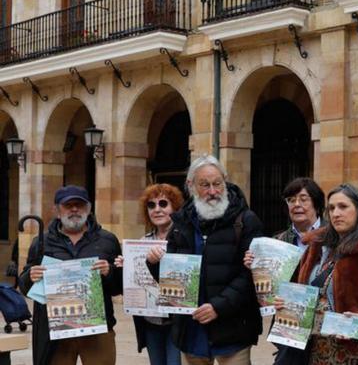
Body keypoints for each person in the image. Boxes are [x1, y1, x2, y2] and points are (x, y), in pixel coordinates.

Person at [146, 155, 264, 365]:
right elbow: (169, 280)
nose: (213, 191)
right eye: (205, 185)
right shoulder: (181, 222)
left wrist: (218, 307)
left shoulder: (246, 221)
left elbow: (251, 274)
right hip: (191, 330)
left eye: (218, 183)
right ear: (191, 186)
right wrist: (155, 264)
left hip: (232, 329)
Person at [281, 183, 358, 364]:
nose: (336, 214)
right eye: (332, 208)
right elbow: (300, 290)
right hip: (318, 349)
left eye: (343, 207)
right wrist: (287, 303)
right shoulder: (315, 247)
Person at [19, 185, 122, 365]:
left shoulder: (107, 240)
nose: (74, 209)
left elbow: (118, 288)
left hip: (97, 330)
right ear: (57, 211)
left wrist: (110, 272)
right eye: (68, 205)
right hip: (56, 333)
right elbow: (24, 286)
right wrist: (30, 276)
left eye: (80, 205)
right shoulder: (41, 242)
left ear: (89, 209)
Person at [114, 184, 185, 365]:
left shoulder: (185, 238)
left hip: (178, 322)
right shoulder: (142, 242)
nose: (157, 209)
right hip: (151, 321)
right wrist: (125, 267)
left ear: (175, 207)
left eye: (163, 204)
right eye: (151, 205)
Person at [275, 177, 325, 248]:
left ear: (317, 204)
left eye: (303, 199)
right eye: (291, 200)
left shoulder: (335, 236)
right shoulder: (278, 241)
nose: (297, 204)